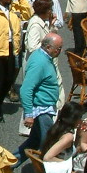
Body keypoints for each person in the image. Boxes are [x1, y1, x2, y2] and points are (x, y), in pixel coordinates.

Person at [15, 33, 64, 165]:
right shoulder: (39, 62)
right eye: (58, 48)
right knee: (48, 144)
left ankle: (7, 165)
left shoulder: (44, 58)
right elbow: (26, 89)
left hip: (45, 108)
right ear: (48, 47)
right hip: (42, 110)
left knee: (34, 142)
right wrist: (29, 114)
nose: (60, 51)